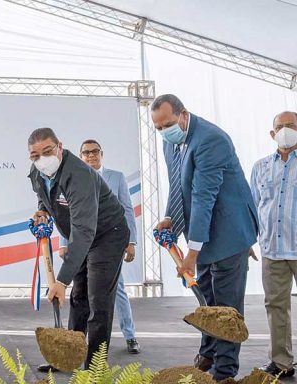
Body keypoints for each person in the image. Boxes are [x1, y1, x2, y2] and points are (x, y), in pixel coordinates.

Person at [151, 94, 258, 382]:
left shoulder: (212, 140)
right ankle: (208, 354)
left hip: (229, 230)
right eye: (158, 128)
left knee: (225, 308)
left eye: (168, 125)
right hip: (203, 228)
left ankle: (224, 373)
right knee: (207, 301)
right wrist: (170, 218)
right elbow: (177, 184)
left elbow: (202, 196)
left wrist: (192, 253)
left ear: (183, 115)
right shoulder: (170, 141)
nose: (163, 132)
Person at [28, 128, 129, 372]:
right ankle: (67, 357)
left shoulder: (79, 175)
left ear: (60, 147)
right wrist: (42, 209)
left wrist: (61, 281)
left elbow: (85, 231)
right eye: (35, 155)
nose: (41, 159)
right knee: (79, 297)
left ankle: (95, 367)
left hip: (107, 235)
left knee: (98, 301)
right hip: (81, 234)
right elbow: (45, 195)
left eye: (48, 151)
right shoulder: (37, 171)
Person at [58, 139, 140, 354]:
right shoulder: (73, 178)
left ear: (102, 153)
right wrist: (64, 243)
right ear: (81, 156)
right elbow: (66, 214)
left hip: (109, 243)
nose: (91, 155)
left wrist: (131, 241)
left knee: (116, 290)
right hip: (82, 244)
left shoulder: (116, 177)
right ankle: (75, 345)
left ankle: (129, 335)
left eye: (95, 151)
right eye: (86, 153)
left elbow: (126, 210)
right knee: (80, 293)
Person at [250, 111, 297, 379]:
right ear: (272, 133)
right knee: (276, 306)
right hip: (272, 250)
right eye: (280, 126)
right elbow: (253, 207)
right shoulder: (261, 167)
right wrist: (249, 240)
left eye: (291, 126)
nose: (285, 130)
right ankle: (281, 362)